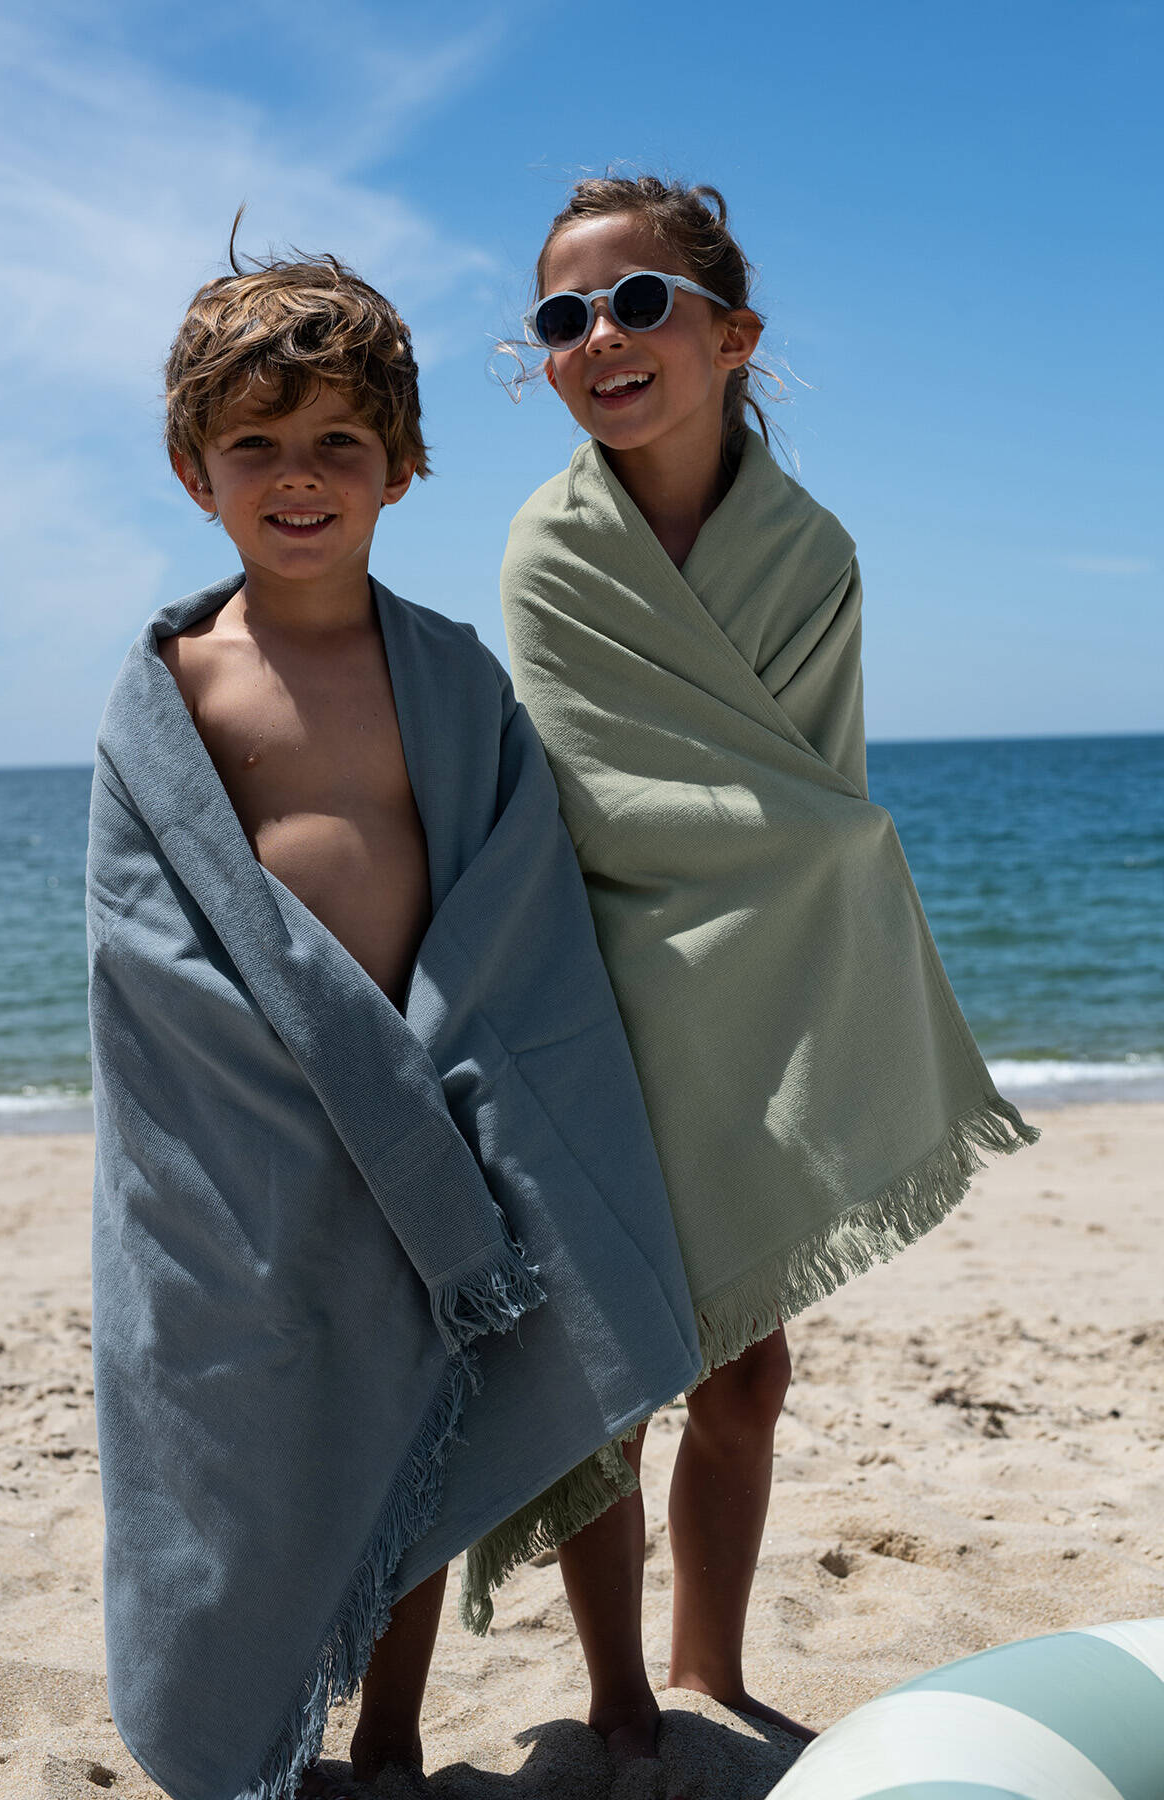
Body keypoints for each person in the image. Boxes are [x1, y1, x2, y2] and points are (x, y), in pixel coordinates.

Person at [86, 241, 700, 1800]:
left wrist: (443, 1088)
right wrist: (320, 1087)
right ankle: (278, 1726)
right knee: (284, 1451)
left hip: (444, 1111)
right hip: (272, 1139)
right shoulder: (178, 689)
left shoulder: (448, 674)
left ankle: (417, 1734)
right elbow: (160, 947)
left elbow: (513, 900)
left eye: (338, 445)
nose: (300, 480)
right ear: (192, 470)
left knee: (454, 1413)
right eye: (258, 448)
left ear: (402, 467)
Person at [480, 173, 1039, 1762]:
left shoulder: (814, 552)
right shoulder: (549, 551)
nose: (602, 338)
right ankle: (617, 1700)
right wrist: (819, 847)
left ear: (732, 335)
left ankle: (710, 1668)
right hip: (601, 994)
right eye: (564, 319)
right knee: (609, 1383)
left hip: (762, 1000)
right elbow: (614, 799)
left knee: (751, 1366)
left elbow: (806, 792)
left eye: (641, 300)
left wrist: (823, 854)